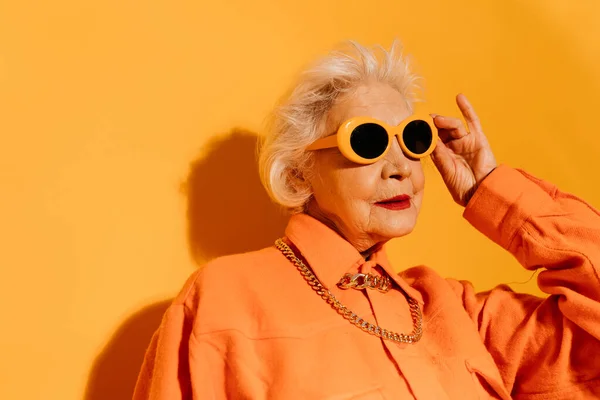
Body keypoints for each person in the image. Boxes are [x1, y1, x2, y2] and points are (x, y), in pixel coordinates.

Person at [133, 41, 600, 399]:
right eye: (369, 141)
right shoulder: (223, 299)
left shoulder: (461, 313)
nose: (399, 166)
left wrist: (491, 189)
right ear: (300, 170)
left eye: (412, 140)